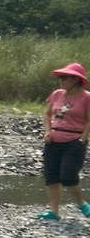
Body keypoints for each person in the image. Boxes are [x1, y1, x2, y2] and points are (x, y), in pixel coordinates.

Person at [37, 62, 90, 220]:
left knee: (68, 176)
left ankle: (82, 204)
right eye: (60, 77)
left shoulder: (87, 97)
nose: (61, 80)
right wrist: (47, 131)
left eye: (64, 77)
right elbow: (47, 114)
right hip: (54, 140)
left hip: (74, 140)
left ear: (75, 79)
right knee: (51, 175)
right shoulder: (57, 94)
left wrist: (83, 139)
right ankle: (54, 212)